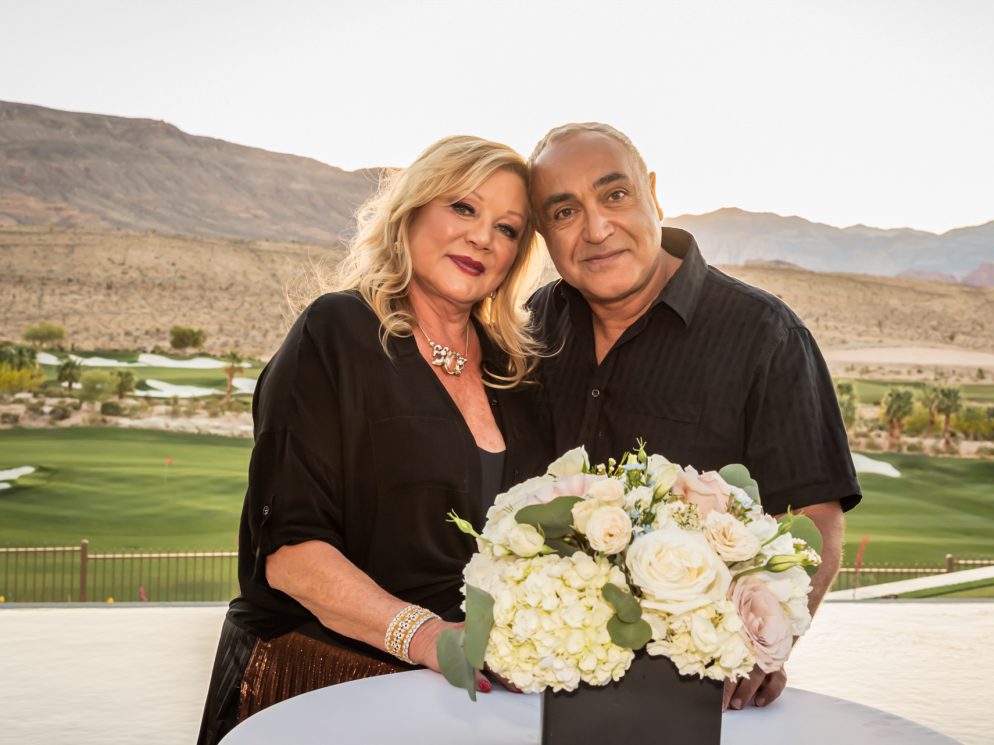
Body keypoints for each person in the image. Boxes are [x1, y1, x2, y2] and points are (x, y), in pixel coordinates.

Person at [197, 135, 552, 743]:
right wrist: (426, 636)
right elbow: (292, 555)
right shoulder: (337, 332)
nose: (482, 238)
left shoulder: (514, 373)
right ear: (411, 212)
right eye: (463, 207)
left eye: (508, 228)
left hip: (465, 702)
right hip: (319, 683)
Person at [526, 122, 862, 712]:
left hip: (693, 695)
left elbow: (814, 521)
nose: (596, 229)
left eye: (615, 195)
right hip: (536, 679)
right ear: (542, 232)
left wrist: (763, 647)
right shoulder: (531, 327)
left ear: (653, 194)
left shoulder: (765, 335)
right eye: (564, 212)